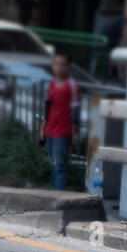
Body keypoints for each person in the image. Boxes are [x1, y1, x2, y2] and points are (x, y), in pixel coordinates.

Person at [42, 52, 79, 190]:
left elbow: (75, 108)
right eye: (56, 64)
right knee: (53, 164)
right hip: (50, 130)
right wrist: (43, 127)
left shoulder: (72, 85)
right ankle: (55, 193)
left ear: (68, 67)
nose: (59, 68)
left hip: (62, 132)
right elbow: (48, 105)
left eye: (62, 65)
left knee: (59, 166)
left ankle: (58, 197)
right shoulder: (52, 84)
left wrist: (74, 132)